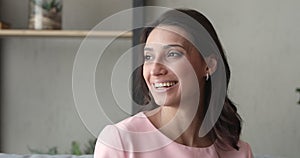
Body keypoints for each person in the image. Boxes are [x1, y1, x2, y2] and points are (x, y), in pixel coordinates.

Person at [94, 8, 253, 158]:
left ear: (209, 65)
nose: (155, 69)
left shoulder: (237, 152)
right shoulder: (120, 141)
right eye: (148, 57)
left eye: (172, 54)